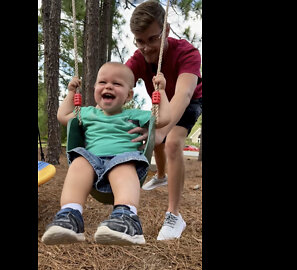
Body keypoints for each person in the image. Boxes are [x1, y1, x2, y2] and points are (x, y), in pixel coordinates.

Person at [41, 62, 170, 245]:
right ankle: (70, 216)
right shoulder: (85, 113)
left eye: (117, 84)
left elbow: (164, 118)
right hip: (92, 163)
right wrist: (71, 92)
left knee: (122, 166)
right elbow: (63, 116)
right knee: (79, 161)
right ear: (95, 89)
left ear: (128, 95)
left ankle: (126, 217)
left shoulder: (134, 114)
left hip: (123, 159)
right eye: (102, 82)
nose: (108, 86)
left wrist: (161, 92)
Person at [125, 0, 202, 241]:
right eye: (139, 41)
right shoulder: (138, 58)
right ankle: (160, 176)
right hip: (162, 101)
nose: (146, 48)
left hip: (190, 101)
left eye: (152, 39)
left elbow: (184, 94)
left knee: (171, 141)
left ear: (166, 30)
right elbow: (119, 80)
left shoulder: (187, 52)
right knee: (153, 134)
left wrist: (162, 129)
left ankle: (174, 216)